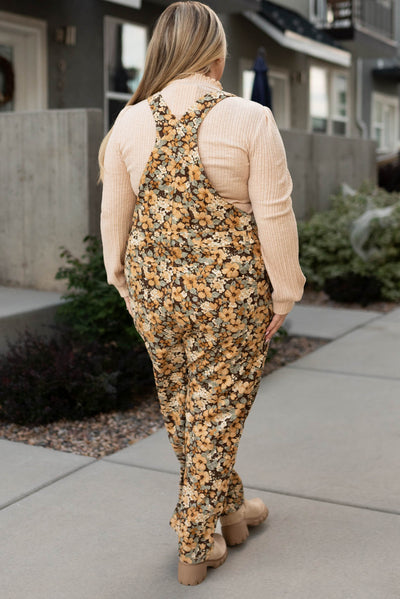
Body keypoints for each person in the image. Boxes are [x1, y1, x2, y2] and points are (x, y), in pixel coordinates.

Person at [98, 1, 306, 586]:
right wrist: (286, 291)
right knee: (216, 411)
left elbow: (116, 219)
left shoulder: (129, 123)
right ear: (216, 53)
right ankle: (196, 543)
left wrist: (124, 283)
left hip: (156, 292)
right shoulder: (249, 118)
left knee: (189, 410)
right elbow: (276, 215)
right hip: (231, 295)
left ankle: (232, 512)